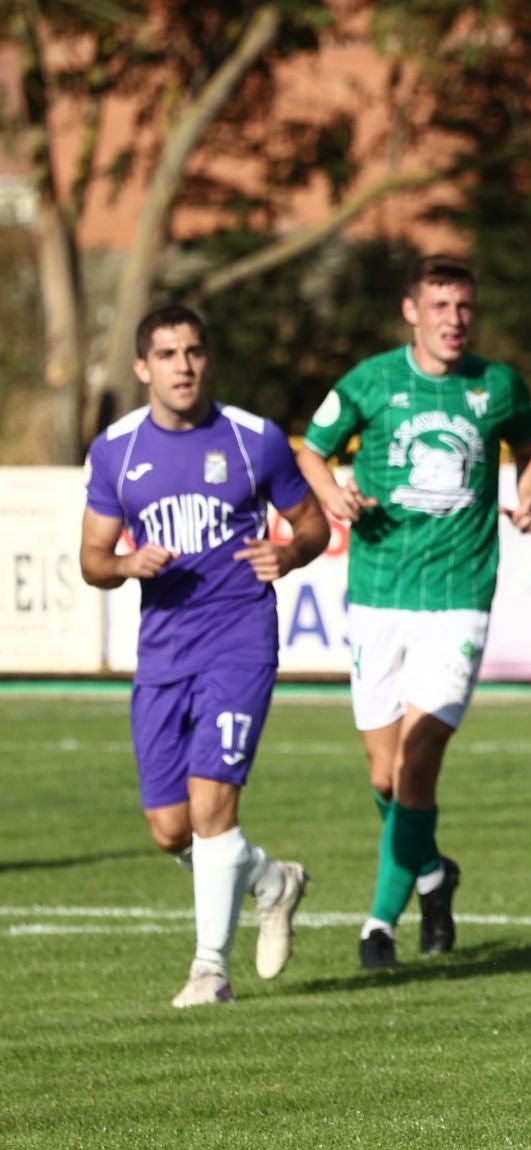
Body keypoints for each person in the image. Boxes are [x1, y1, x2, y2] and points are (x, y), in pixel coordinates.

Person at [295, 256, 531, 969]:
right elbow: (313, 452)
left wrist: (530, 498)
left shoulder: (498, 384)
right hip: (378, 595)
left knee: (415, 763)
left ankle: (379, 923)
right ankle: (434, 873)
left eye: (463, 306)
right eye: (439, 305)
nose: (453, 319)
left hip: (459, 599)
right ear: (411, 311)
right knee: (385, 776)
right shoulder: (371, 381)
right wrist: (332, 493)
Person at [80, 304, 328, 1007]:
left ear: (207, 359)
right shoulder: (116, 450)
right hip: (163, 653)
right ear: (142, 367)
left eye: (193, 351)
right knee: (170, 829)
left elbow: (310, 524)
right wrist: (125, 565)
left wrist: (289, 553)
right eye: (166, 354)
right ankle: (273, 881)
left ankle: (209, 970)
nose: (182, 366)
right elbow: (92, 558)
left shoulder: (255, 440)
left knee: (213, 804)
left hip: (239, 640)